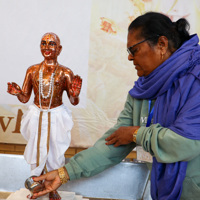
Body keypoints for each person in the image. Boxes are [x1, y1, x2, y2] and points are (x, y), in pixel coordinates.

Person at [32, 12, 200, 200]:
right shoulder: (143, 89)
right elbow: (115, 142)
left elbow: (187, 142)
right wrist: (64, 173)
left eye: (133, 50)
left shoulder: (196, 79)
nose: (129, 58)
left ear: (161, 44)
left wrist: (136, 134)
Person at [7, 32, 82, 200]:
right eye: (44, 43)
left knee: (55, 152)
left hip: (56, 116)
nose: (47, 47)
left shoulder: (65, 72)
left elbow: (73, 101)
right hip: (36, 114)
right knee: (36, 150)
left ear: (59, 49)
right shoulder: (32, 70)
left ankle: (53, 188)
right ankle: (36, 183)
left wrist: (75, 94)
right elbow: (25, 97)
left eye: (51, 44)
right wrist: (18, 93)